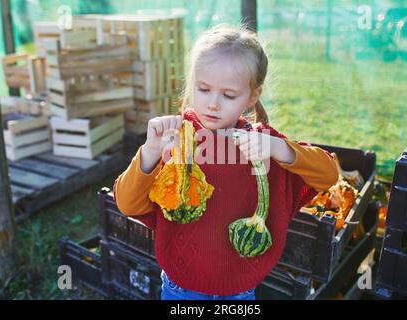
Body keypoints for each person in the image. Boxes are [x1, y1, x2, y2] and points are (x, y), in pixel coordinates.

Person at [113, 24, 338, 300]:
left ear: (252, 95)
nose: (213, 104)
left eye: (228, 95)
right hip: (181, 288)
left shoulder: (262, 144)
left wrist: (280, 148)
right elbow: (126, 203)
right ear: (192, 81)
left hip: (240, 291)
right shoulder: (176, 140)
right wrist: (149, 152)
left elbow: (328, 174)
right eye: (203, 89)